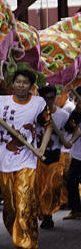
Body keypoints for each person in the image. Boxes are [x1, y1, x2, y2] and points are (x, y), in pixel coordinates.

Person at [0, 67, 52, 249]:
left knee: (24, 198)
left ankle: (26, 243)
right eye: (18, 82)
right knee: (11, 203)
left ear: (31, 86)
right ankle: (15, 232)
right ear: (13, 84)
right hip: (2, 159)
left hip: (27, 158)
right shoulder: (1, 102)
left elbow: (48, 125)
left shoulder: (38, 103)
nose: (20, 85)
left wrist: (41, 148)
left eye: (25, 83)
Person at [35, 85, 71, 229]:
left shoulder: (63, 115)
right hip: (37, 155)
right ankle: (43, 215)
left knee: (52, 186)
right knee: (39, 188)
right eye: (45, 99)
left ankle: (48, 213)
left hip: (55, 154)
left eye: (51, 98)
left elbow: (69, 134)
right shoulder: (35, 114)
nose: (48, 101)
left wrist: (68, 141)